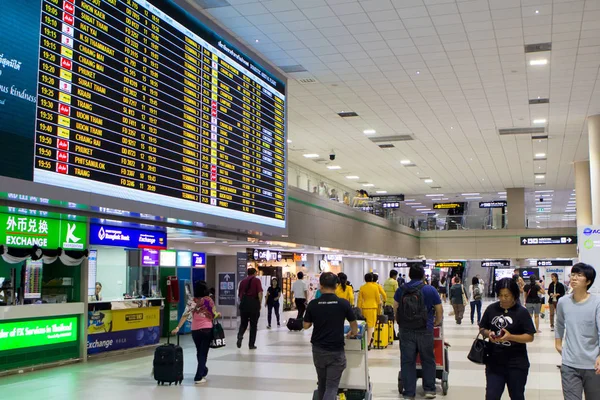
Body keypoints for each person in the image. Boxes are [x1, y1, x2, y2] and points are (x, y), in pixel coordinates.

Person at [304, 272, 359, 400]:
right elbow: (354, 324)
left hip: (318, 350)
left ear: (321, 285)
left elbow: (306, 325)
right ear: (336, 285)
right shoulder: (343, 303)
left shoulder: (313, 304)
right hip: (336, 349)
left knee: (322, 384)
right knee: (332, 387)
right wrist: (353, 333)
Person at [479, 278, 536, 400]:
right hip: (494, 362)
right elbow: (482, 328)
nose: (503, 299)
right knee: (491, 396)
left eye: (507, 296)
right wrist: (488, 333)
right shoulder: (491, 309)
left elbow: (530, 337)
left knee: (517, 396)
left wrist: (511, 337)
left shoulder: (522, 312)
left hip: (517, 363)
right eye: (500, 295)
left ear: (514, 295)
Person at [394, 264, 443, 400]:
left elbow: (395, 308)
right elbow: (439, 310)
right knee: (427, 359)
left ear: (409, 275)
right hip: (425, 329)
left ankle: (409, 392)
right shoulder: (430, 290)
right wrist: (436, 322)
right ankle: (429, 390)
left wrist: (400, 323)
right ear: (423, 275)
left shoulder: (401, 290)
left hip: (406, 330)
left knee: (407, 361)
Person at [555, 263, 600, 399]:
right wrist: (557, 344)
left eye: (579, 275)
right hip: (569, 363)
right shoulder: (563, 302)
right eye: (573, 274)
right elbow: (559, 324)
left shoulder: (597, 303)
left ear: (588, 281)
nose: (574, 278)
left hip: (592, 364)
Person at [172, 281, 218, 384]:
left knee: (199, 352)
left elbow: (185, 315)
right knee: (203, 353)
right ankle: (198, 376)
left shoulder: (192, 301)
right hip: (207, 329)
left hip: (195, 330)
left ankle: (203, 370)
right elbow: (214, 314)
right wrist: (217, 314)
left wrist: (178, 327)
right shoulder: (208, 300)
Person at [237, 268, 263, 350]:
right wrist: (260, 303)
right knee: (253, 325)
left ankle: (240, 334)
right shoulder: (256, 280)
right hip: (253, 304)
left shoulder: (242, 282)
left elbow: (239, 295)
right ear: (255, 273)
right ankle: (251, 344)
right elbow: (260, 292)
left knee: (243, 323)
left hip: (244, 304)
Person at [358, 273, 383, 348]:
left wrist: (359, 308)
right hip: (373, 308)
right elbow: (378, 299)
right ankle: (368, 343)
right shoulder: (375, 287)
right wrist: (380, 303)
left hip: (364, 308)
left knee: (365, 325)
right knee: (371, 326)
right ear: (372, 279)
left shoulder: (362, 287)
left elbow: (359, 300)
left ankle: (366, 340)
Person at [384, 270, 399, 338]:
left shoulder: (386, 282)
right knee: (392, 320)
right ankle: (392, 335)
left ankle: (387, 334)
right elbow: (397, 292)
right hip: (393, 303)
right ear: (394, 275)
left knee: (387, 320)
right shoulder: (394, 282)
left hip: (386, 303)